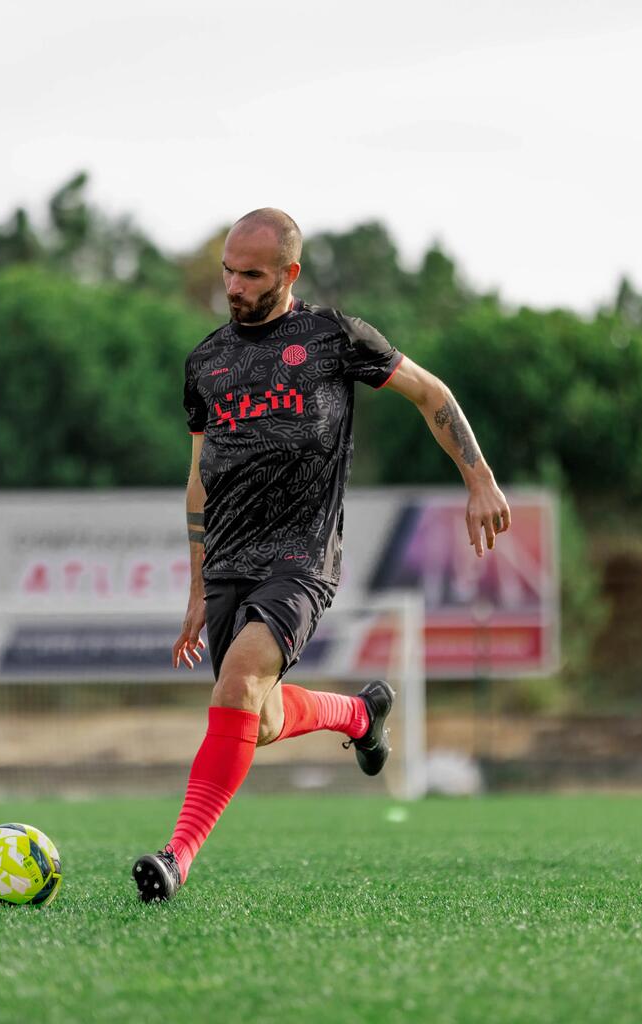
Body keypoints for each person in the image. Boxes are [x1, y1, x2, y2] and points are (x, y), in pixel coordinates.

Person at [132, 209, 510, 902]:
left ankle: (176, 857)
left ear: (289, 274)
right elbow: (198, 479)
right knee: (262, 718)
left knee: (241, 682)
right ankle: (360, 716)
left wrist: (479, 478)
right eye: (227, 271)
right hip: (227, 561)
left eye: (251, 275)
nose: (234, 286)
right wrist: (194, 586)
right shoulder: (206, 363)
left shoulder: (334, 337)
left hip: (302, 557)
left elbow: (432, 394)